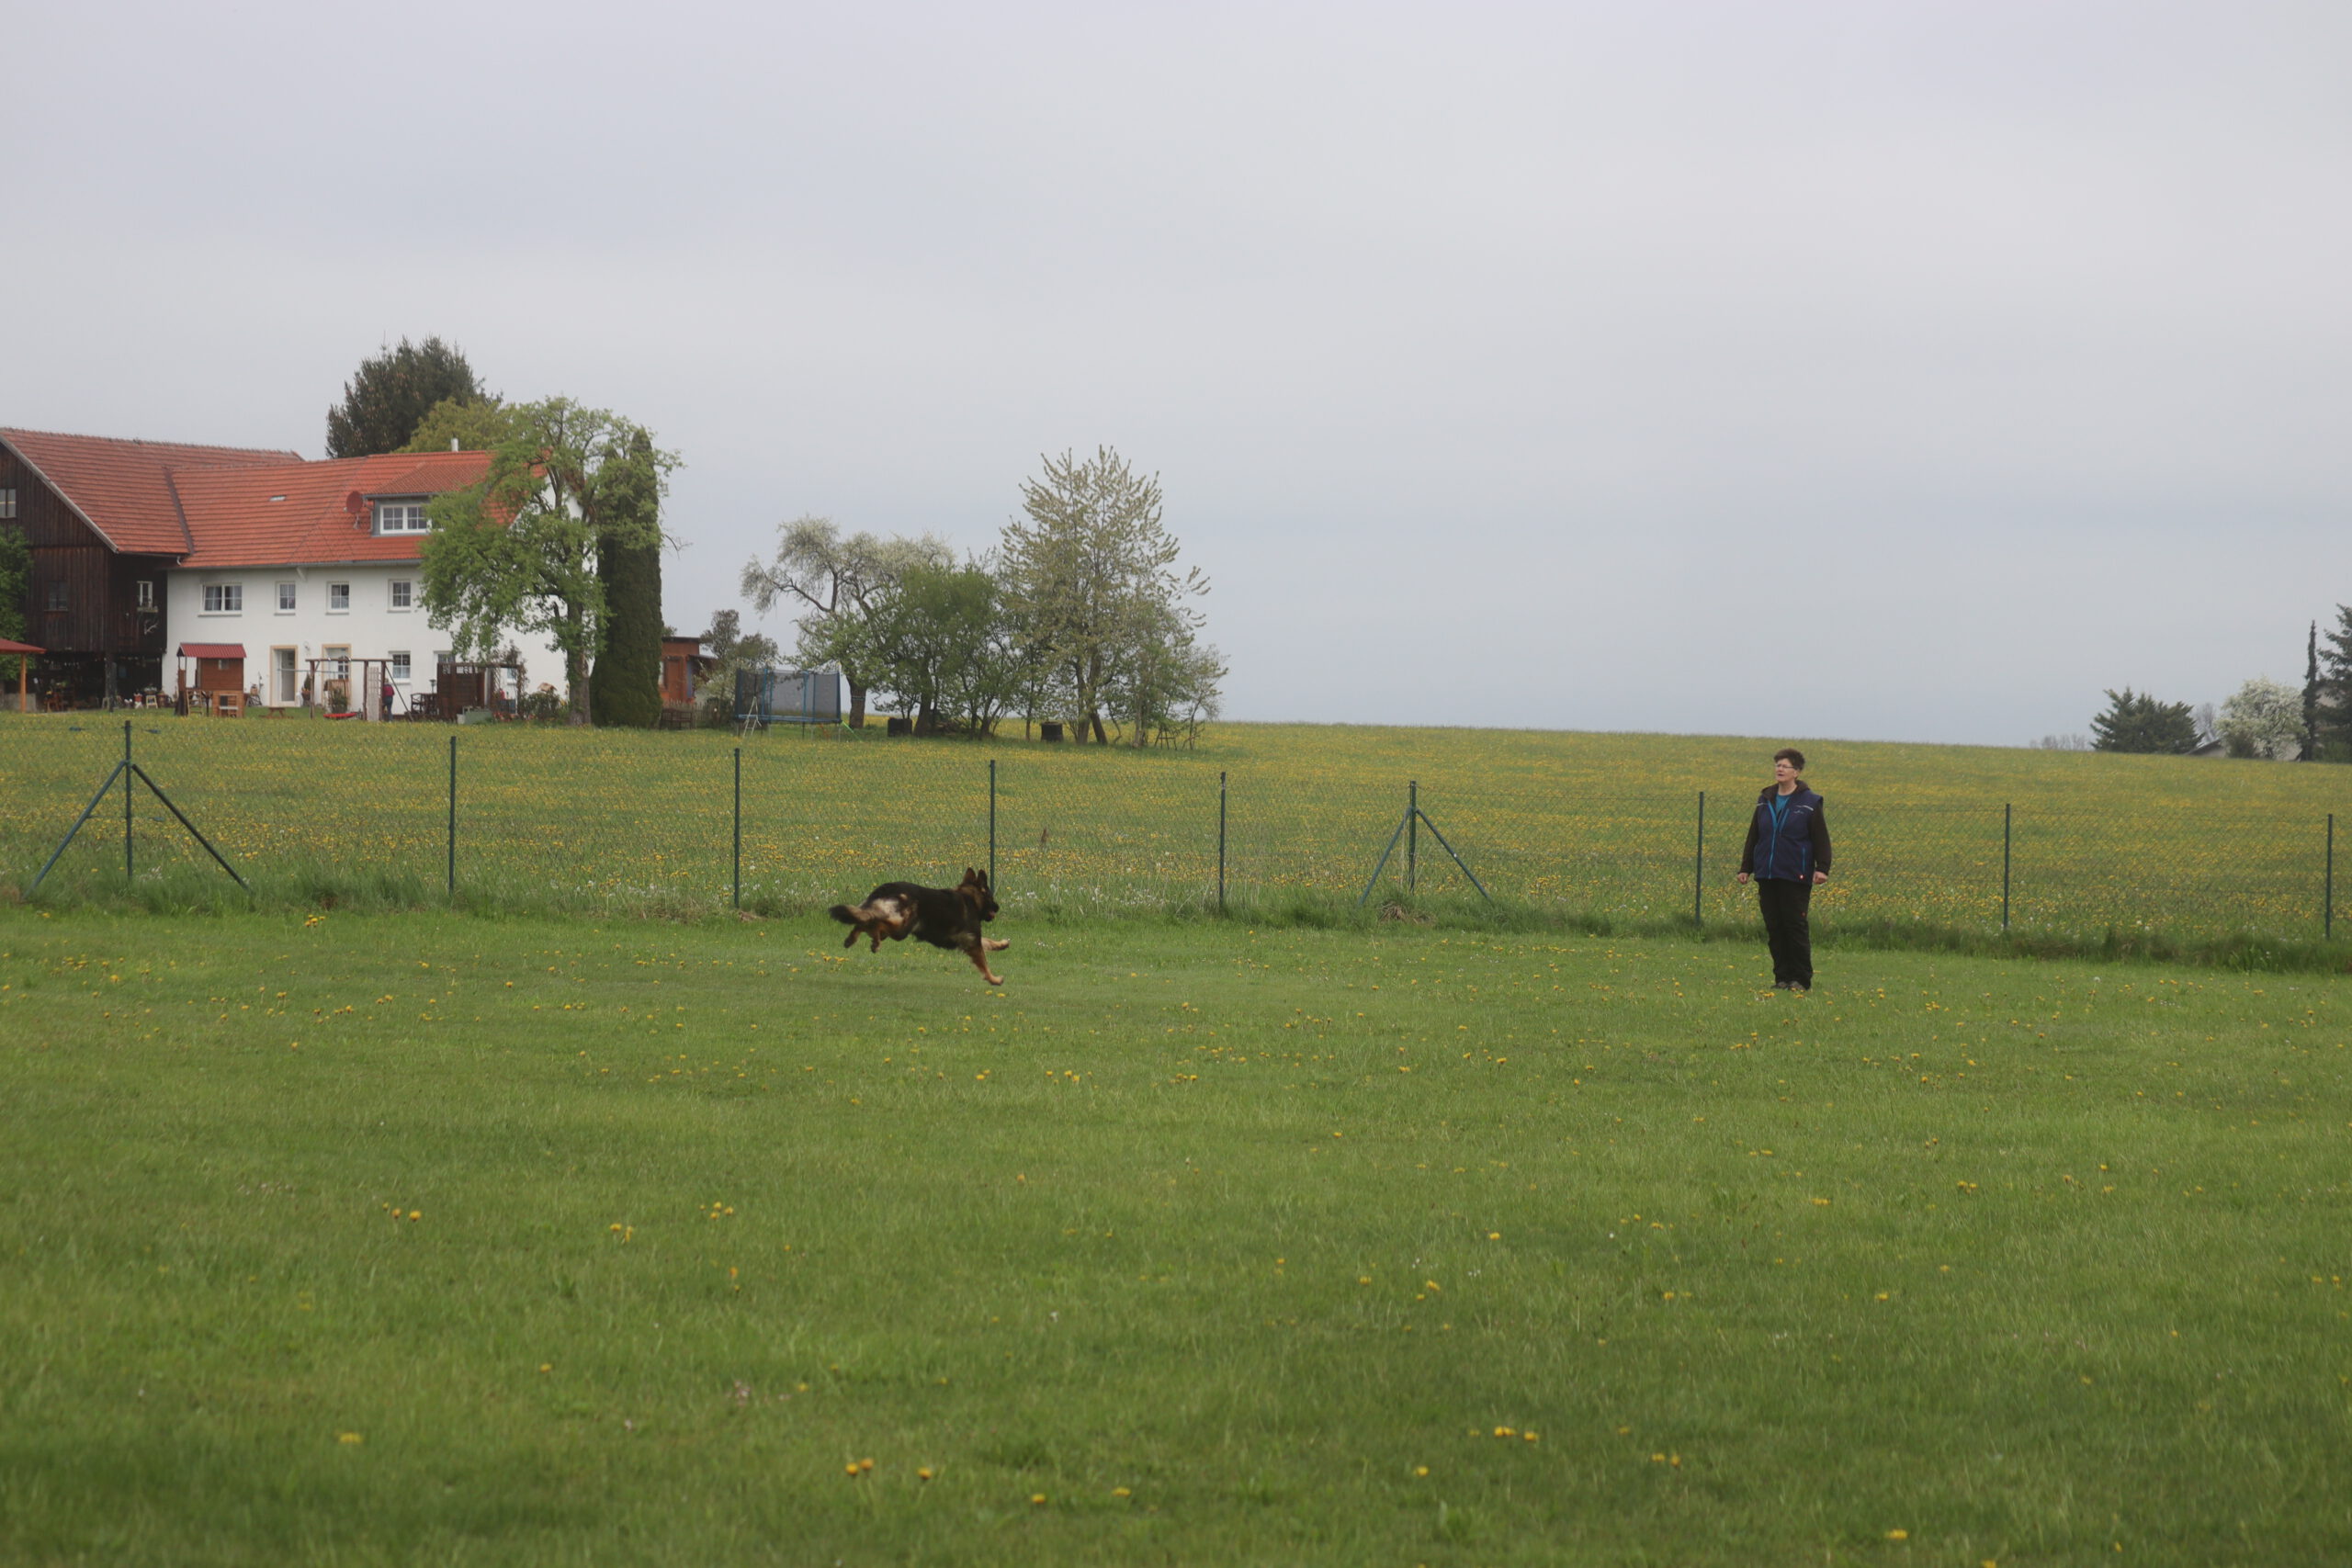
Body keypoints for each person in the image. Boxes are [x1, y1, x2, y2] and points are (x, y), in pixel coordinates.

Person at [1736, 747, 1832, 991]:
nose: (1779, 769)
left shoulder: (1810, 802)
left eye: (1785, 766)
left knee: (1794, 926)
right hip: (1767, 873)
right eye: (1777, 765)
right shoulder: (1765, 799)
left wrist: (1822, 868)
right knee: (1775, 927)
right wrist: (1746, 867)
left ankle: (1801, 979)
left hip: (1795, 873)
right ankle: (1782, 977)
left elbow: (1820, 837)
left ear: (1796, 772)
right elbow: (1754, 834)